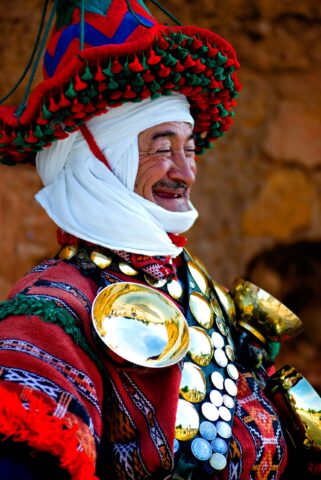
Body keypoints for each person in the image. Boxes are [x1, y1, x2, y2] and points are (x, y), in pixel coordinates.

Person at [0, 1, 319, 479]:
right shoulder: (50, 311)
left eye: (189, 149)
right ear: (99, 162)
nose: (186, 171)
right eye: (162, 148)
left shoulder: (200, 290)